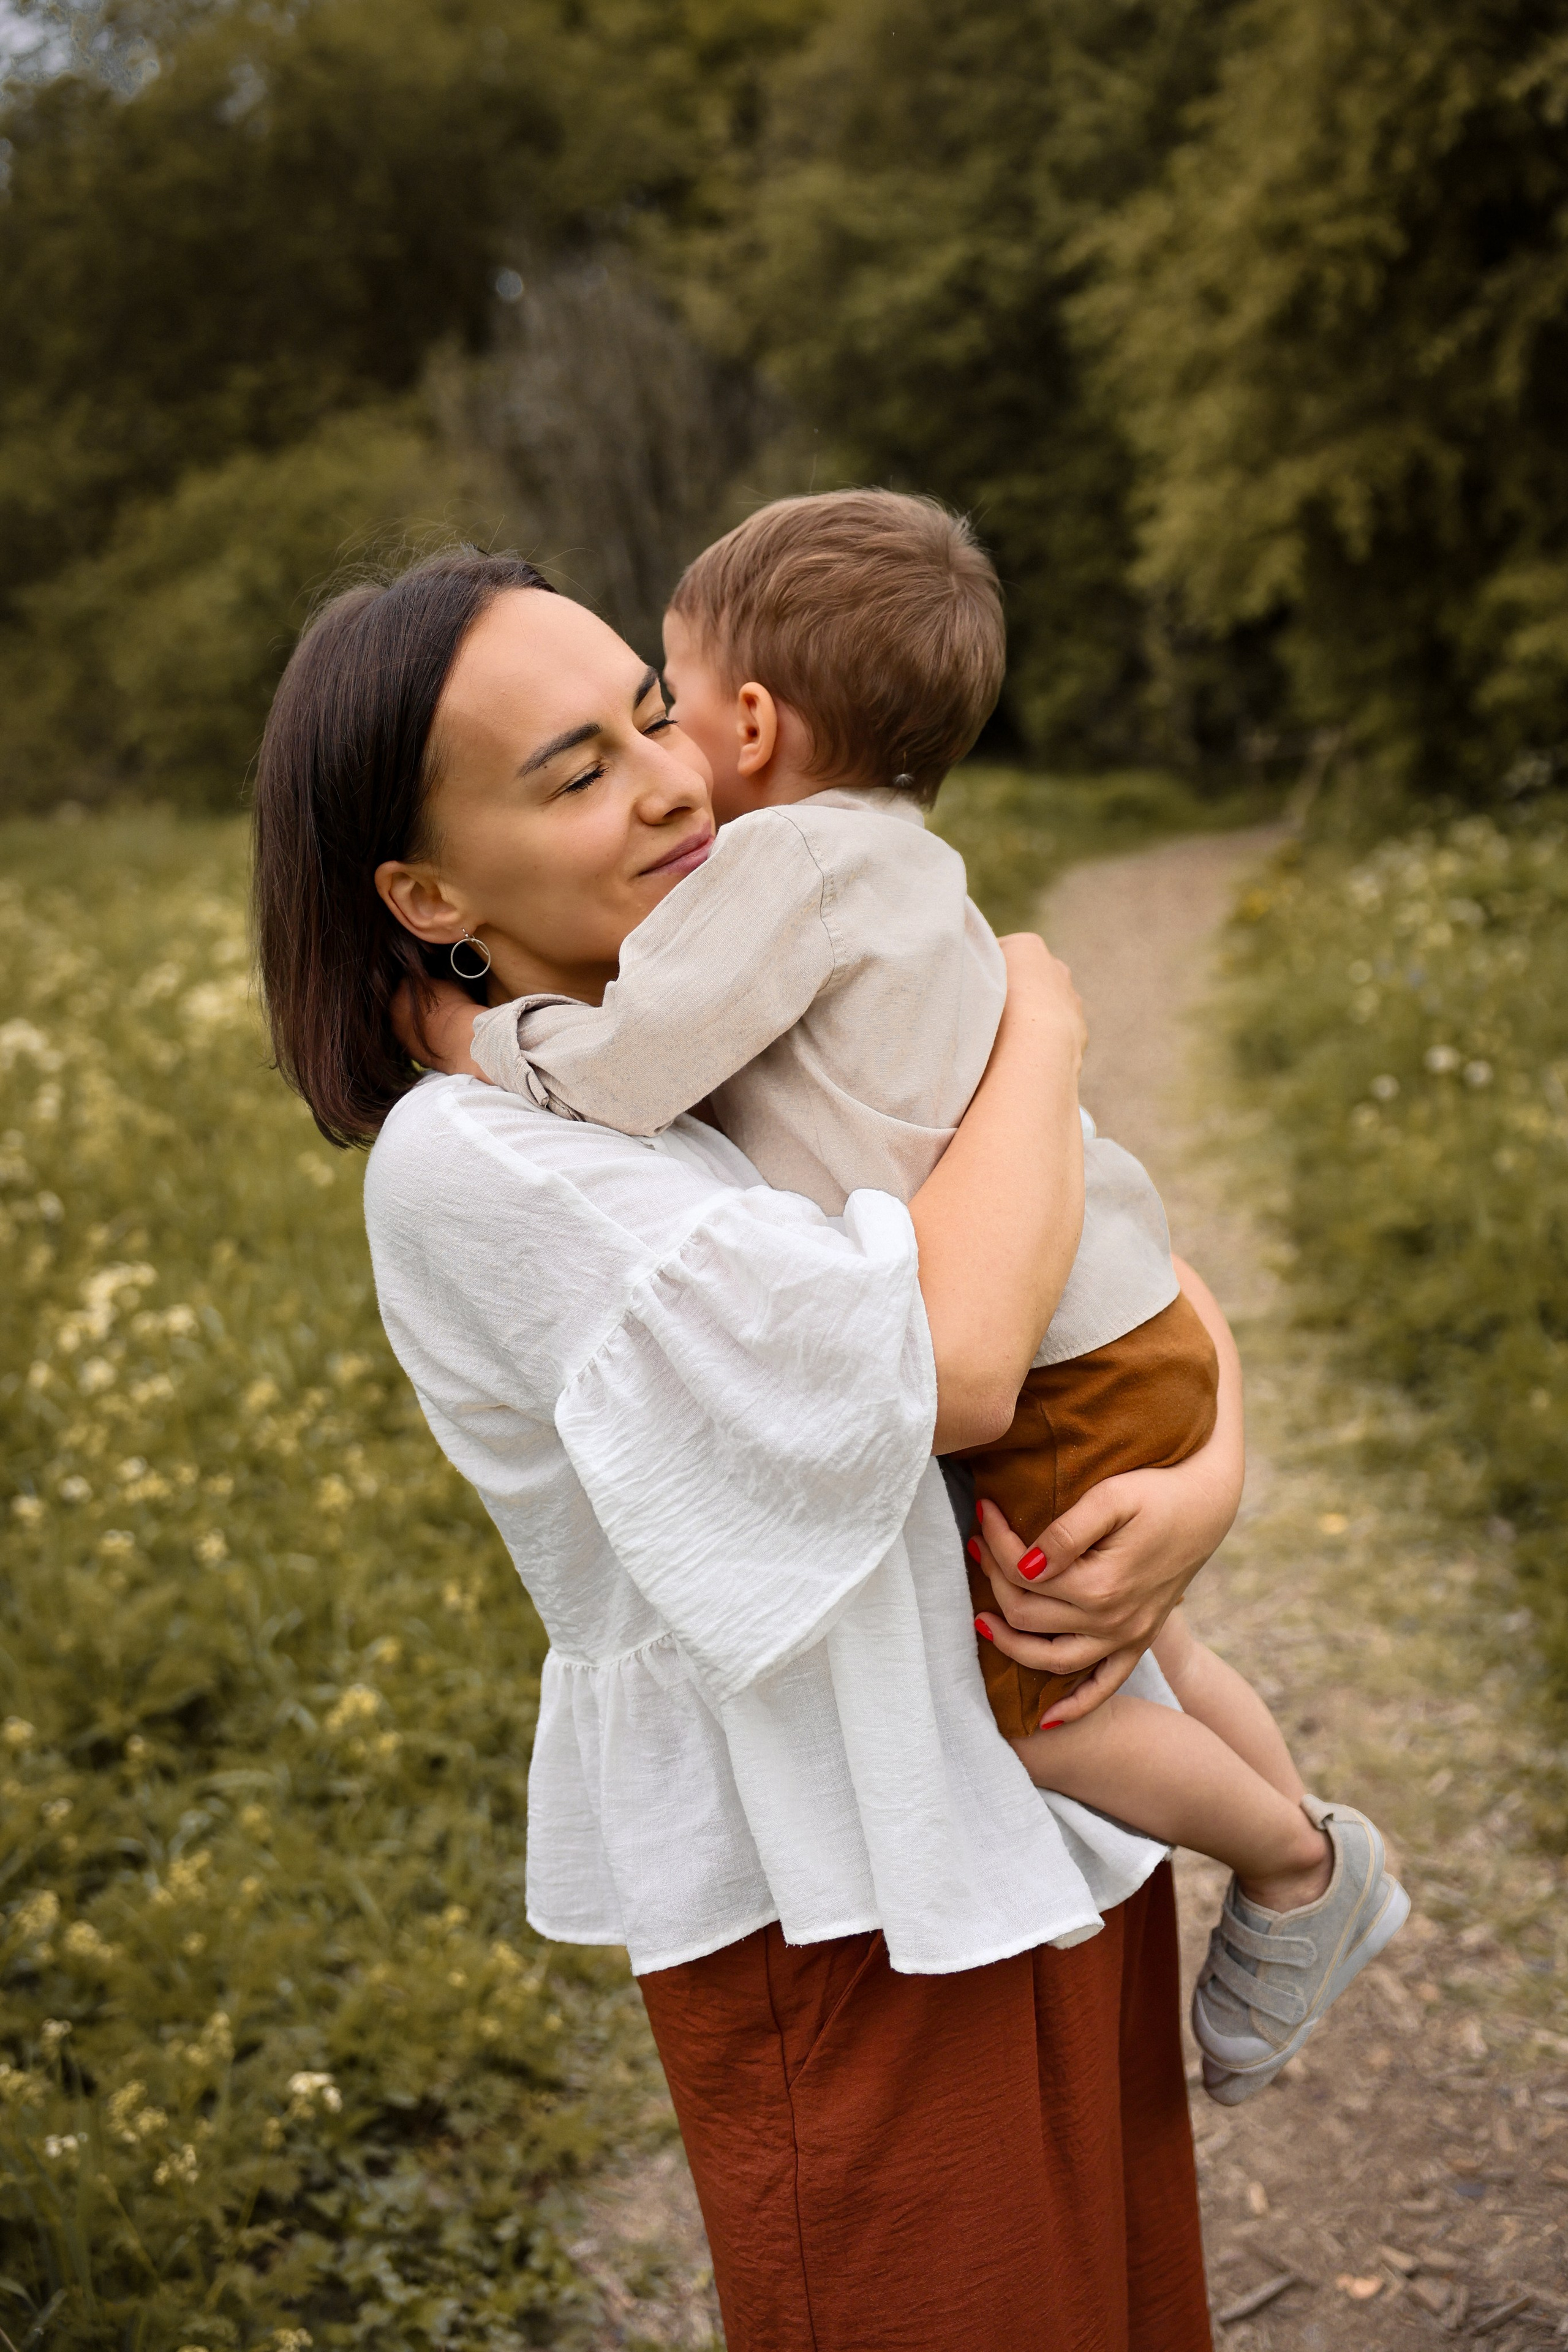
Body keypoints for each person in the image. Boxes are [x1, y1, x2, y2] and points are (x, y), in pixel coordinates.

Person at [253, 545, 1238, 2351]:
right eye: (576, 772)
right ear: (423, 889)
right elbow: (952, 1361)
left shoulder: (746, 1023)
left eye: (653, 715)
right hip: (841, 1891)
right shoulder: (482, 1161)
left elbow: (1119, 1270)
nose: (678, 778)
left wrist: (1211, 1477)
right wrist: (1045, 1014)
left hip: (1038, 1816)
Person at [413, 493, 1409, 2106]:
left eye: (662, 702)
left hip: (1054, 1357)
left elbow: (638, 1066)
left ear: (750, 719)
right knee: (1130, 1650)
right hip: (1118, 1321)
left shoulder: (786, 865)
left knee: (1057, 1711)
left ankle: (1298, 1869)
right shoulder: (897, 859)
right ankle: (1309, 1858)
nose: (667, 759)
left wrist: (490, 1039)